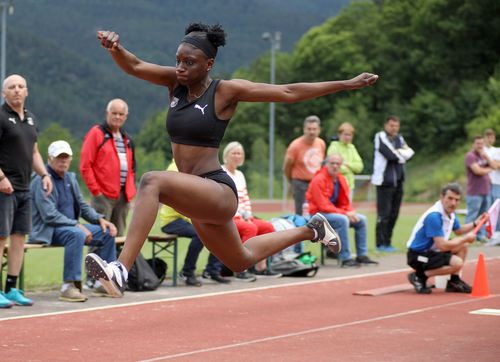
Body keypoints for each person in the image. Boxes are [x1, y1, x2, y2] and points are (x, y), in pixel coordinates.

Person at [85, 23, 378, 298]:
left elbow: (287, 92)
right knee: (241, 259)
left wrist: (345, 84)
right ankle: (311, 230)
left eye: (190, 62)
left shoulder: (225, 92)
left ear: (208, 64)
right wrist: (115, 49)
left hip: (217, 190)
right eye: (178, 60)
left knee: (152, 180)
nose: (181, 67)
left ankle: (121, 269)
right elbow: (135, 65)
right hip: (195, 196)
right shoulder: (174, 83)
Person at [30, 141, 117, 302]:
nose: (63, 161)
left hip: (70, 227)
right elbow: (49, 215)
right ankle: (68, 286)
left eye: (66, 157)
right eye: (59, 157)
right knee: (76, 234)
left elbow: (83, 206)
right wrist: (76, 225)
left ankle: (103, 282)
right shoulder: (40, 180)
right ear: (49, 159)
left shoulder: (70, 178)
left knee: (107, 232)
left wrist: (100, 219)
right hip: (47, 229)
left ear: (70, 159)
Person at [0, 74, 53, 308]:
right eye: (12, 87)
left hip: (24, 189)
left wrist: (44, 175)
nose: (17, 90)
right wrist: (1, 178)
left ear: (27, 92)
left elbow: (34, 153)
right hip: (4, 188)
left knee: (19, 238)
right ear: (4, 93)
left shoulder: (31, 119)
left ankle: (11, 288)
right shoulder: (1, 117)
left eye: (21, 86)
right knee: (1, 238)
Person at [159, 161, 229, 286]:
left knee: (218, 230)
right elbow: (178, 200)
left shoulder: (194, 168)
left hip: (189, 217)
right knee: (200, 234)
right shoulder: (174, 169)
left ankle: (212, 270)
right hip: (172, 221)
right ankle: (187, 272)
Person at [406, 183, 484, 294]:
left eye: (456, 200)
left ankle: (454, 281)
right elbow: (442, 246)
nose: (453, 203)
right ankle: (419, 276)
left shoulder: (450, 213)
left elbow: (458, 230)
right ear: (442, 197)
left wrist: (476, 223)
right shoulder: (434, 216)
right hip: (418, 256)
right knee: (457, 263)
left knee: (463, 247)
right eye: (450, 198)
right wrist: (465, 238)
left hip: (432, 252)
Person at [306, 154, 378, 268]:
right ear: (326, 164)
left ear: (341, 166)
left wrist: (351, 212)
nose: (335, 166)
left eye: (338, 164)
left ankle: (362, 256)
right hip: (317, 216)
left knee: (361, 219)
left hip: (335, 213)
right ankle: (346, 259)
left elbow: (345, 202)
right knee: (343, 220)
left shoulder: (341, 179)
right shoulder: (318, 179)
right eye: (332, 163)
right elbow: (322, 205)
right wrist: (345, 213)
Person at [222, 141, 281, 278]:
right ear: (227, 155)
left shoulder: (240, 175)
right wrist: (240, 216)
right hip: (229, 218)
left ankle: (261, 267)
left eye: (240, 153)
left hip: (242, 216)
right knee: (250, 228)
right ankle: (241, 268)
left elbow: (245, 199)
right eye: (234, 153)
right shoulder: (222, 172)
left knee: (268, 227)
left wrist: (248, 215)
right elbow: (225, 200)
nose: (237, 156)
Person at [80, 98, 136, 237]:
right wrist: (96, 192)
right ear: (107, 113)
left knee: (119, 238)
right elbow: (85, 165)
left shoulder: (126, 139)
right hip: (103, 196)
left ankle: (116, 260)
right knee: (100, 237)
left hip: (123, 196)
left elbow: (132, 168)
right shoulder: (97, 133)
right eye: (114, 113)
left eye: (121, 114)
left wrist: (130, 190)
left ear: (126, 116)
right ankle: (95, 259)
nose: (117, 117)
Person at [371, 116, 414, 252]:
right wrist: (401, 154)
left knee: (394, 214)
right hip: (384, 182)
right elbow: (390, 155)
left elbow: (410, 152)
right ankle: (380, 244)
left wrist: (399, 153)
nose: (393, 128)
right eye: (391, 125)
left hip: (399, 182)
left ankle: (388, 243)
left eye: (396, 126)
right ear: (385, 125)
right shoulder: (380, 136)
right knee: (384, 214)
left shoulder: (399, 138)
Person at [283, 115, 326, 215]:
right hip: (300, 184)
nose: (312, 132)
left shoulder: (321, 143)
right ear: (304, 129)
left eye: (314, 129)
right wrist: (292, 181)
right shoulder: (295, 145)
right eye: (309, 129)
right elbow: (286, 166)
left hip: (316, 183)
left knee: (318, 212)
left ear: (319, 130)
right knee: (301, 213)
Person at [464, 135, 493, 242]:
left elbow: (494, 166)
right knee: (472, 215)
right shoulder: (470, 156)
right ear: (473, 144)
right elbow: (477, 171)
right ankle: (467, 237)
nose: (480, 146)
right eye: (478, 143)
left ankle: (480, 236)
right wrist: (489, 169)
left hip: (486, 190)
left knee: (484, 216)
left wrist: (487, 158)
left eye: (481, 143)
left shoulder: (483, 156)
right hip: (474, 192)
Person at [327, 122, 363, 201]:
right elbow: (334, 167)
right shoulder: (334, 146)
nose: (347, 137)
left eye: (349, 135)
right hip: (336, 185)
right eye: (345, 134)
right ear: (339, 135)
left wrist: (346, 164)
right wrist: (350, 168)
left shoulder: (352, 148)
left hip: (349, 186)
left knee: (347, 211)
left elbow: (359, 166)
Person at [483, 129, 500, 243]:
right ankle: (490, 234)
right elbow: (494, 165)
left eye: (492, 137)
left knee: (496, 209)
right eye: (488, 137)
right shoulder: (483, 150)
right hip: (489, 184)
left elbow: (496, 165)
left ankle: (496, 233)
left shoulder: (496, 150)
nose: (490, 139)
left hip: (495, 183)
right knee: (489, 209)